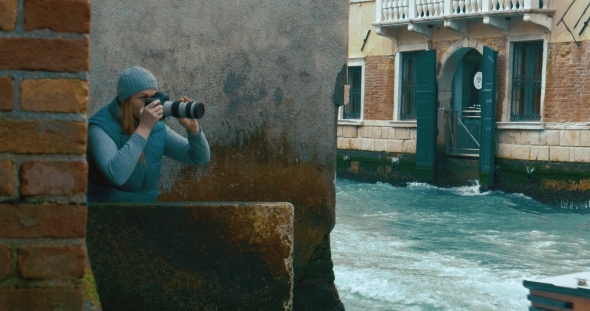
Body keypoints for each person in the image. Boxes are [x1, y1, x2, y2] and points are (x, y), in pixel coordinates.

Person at [87, 66, 210, 202]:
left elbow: (199, 158)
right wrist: (144, 128)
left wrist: (193, 129)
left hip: (145, 212)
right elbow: (116, 176)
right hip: (106, 212)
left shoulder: (157, 127)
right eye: (143, 98)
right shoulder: (99, 128)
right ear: (124, 99)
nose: (151, 104)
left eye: (153, 97)